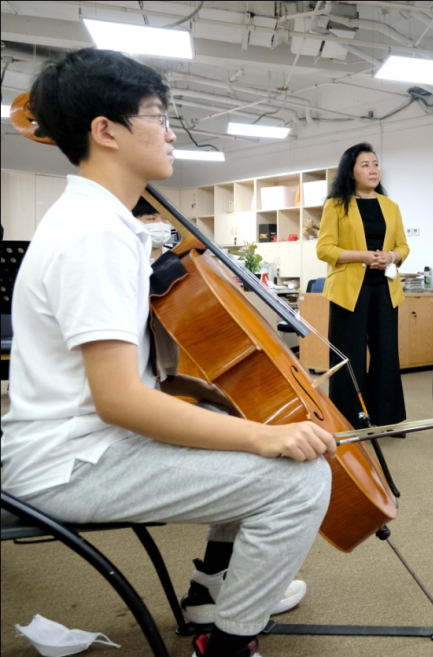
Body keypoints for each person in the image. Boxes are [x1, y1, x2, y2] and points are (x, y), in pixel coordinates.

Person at [0, 49, 335, 657]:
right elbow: (118, 401)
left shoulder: (104, 222)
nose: (172, 131)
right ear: (106, 131)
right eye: (157, 115)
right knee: (300, 480)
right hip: (72, 464)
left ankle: (212, 589)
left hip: (87, 445)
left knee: (235, 427)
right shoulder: (94, 234)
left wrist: (209, 401)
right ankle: (226, 646)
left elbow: (115, 380)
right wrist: (262, 437)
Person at [316, 143, 409, 429]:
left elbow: (403, 247)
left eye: (376, 164)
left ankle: (386, 418)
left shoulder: (390, 206)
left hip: (384, 288)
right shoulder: (336, 205)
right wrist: (363, 256)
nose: (373, 170)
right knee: (349, 356)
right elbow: (324, 249)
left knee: (386, 354)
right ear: (351, 171)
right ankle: (349, 419)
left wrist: (390, 256)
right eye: (365, 165)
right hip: (348, 291)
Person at [132, 196, 174, 261]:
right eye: (151, 218)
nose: (160, 223)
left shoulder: (177, 258)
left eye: (165, 218)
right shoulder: (125, 258)